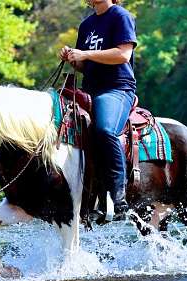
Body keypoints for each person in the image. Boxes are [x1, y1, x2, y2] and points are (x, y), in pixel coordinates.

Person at [59, 0, 136, 216]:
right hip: (89, 90)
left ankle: (118, 195)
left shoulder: (120, 16)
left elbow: (123, 55)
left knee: (104, 130)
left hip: (116, 89)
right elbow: (85, 65)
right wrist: (73, 58)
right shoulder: (87, 25)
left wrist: (85, 54)